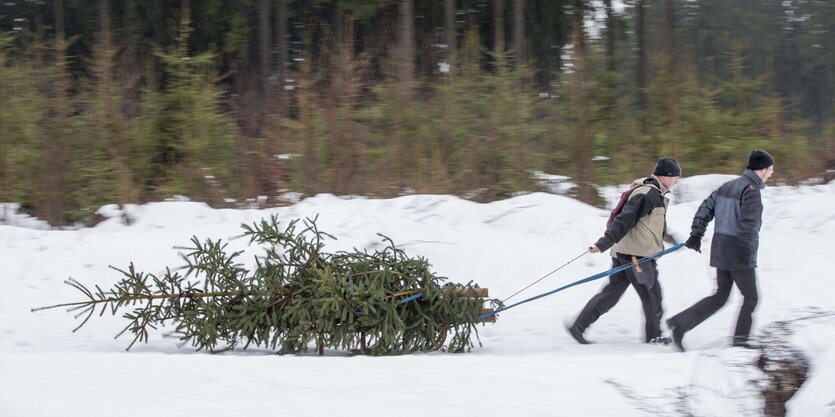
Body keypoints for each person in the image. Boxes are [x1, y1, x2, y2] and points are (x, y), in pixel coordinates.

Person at [666, 150, 774, 352]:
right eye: (770, 169)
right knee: (751, 298)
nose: (771, 172)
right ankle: (740, 343)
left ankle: (680, 324)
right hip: (738, 252)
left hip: (720, 249)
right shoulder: (751, 191)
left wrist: (696, 234)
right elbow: (749, 226)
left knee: (721, 295)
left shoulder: (727, 186)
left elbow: (705, 209)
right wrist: (746, 254)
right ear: (761, 169)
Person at [566, 157, 681, 345]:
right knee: (653, 297)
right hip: (636, 256)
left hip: (627, 253)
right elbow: (624, 221)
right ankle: (654, 337)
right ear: (666, 176)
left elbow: (652, 225)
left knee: (611, 295)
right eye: (676, 177)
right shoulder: (647, 194)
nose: (677, 181)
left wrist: (674, 239)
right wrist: (603, 244)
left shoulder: (655, 194)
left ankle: (578, 326)